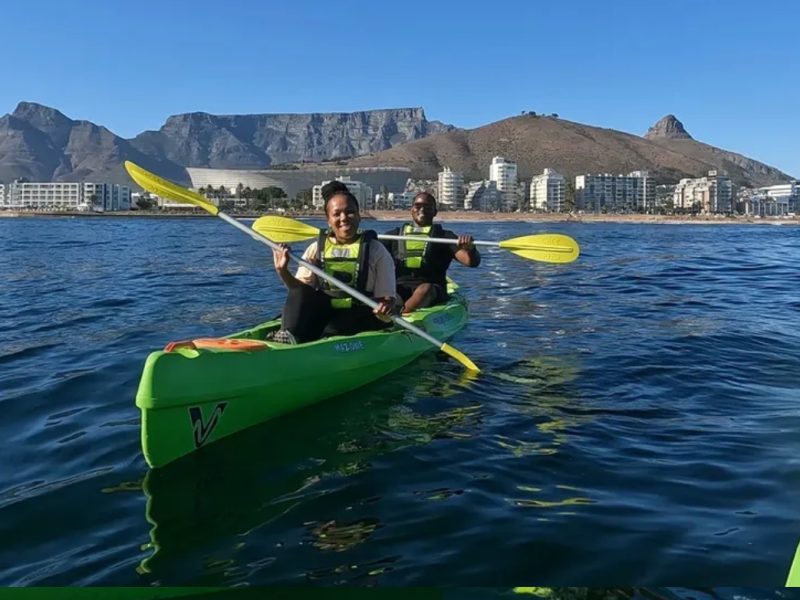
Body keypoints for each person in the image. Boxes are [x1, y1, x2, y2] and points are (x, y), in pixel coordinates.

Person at [271, 185, 400, 344]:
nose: (344, 218)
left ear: (359, 216)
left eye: (350, 212)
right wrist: (283, 271)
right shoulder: (315, 249)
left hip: (364, 313)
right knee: (300, 297)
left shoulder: (376, 251)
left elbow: (388, 298)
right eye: (336, 214)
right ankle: (288, 335)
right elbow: (300, 291)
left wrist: (385, 306)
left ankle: (316, 342)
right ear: (329, 220)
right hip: (327, 310)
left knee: (333, 329)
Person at [384, 192, 480, 313]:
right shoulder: (394, 235)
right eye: (418, 206)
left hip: (432, 290)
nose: (422, 209)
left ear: (435, 212)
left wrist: (470, 249)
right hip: (400, 288)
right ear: (411, 209)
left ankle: (402, 315)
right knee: (388, 293)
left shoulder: (444, 236)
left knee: (424, 289)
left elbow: (471, 262)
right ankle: (388, 313)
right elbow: (372, 251)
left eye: (428, 207)